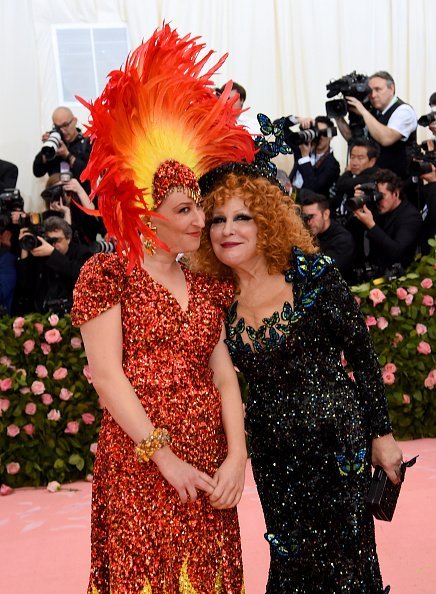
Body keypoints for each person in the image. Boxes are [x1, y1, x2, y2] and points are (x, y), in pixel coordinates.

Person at [70, 25, 254, 594]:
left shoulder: (207, 282)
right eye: (185, 210)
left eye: (200, 206)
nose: (202, 220)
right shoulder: (108, 275)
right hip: (140, 464)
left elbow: (224, 376)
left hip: (211, 461)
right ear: (147, 216)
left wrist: (237, 459)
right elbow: (107, 375)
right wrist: (164, 458)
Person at [192, 151, 403, 592]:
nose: (228, 230)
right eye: (217, 220)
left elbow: (362, 358)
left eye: (242, 217)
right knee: (290, 563)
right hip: (273, 453)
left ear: (266, 220)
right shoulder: (214, 298)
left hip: (337, 446)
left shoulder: (312, 274)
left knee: (346, 562)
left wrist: (381, 437)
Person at [335, 71, 417, 178]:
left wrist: (363, 112)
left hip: (397, 182)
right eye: (370, 91)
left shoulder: (403, 111)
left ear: (391, 88)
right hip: (374, 178)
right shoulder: (373, 111)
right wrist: (338, 116)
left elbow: (386, 138)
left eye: (378, 89)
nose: (373, 95)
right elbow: (353, 139)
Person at [15, 216, 91, 315]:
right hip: (43, 314)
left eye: (57, 240)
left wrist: (53, 254)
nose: (53, 245)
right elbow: (25, 284)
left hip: (72, 314)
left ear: (68, 239)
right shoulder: (42, 254)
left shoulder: (82, 252)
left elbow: (80, 275)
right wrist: (25, 246)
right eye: (49, 241)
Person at [352, 168, 422, 276]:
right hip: (373, 271)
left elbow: (397, 251)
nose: (378, 200)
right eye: (376, 195)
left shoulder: (410, 216)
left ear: (396, 194)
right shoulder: (376, 207)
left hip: (398, 276)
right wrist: (360, 205)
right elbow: (351, 230)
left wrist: (371, 225)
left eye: (382, 196)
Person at [300, 190, 355, 281]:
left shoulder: (342, 240)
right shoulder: (309, 234)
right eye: (305, 217)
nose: (308, 222)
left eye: (312, 216)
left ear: (326, 214)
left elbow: (324, 272)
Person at [32, 106, 92, 191]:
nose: (62, 130)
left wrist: (67, 155)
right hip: (57, 198)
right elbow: (37, 172)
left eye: (65, 125)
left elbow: (89, 176)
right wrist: (47, 148)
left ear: (74, 121)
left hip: (82, 200)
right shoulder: (55, 143)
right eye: (57, 127)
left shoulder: (87, 143)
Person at [288, 116, 340, 197]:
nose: (320, 137)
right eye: (317, 133)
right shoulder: (302, 147)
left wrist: (305, 158)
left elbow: (314, 189)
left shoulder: (332, 165)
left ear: (331, 136)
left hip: (307, 205)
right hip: (288, 199)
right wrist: (299, 120)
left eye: (324, 133)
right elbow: (278, 127)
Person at [330, 138, 380, 214]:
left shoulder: (374, 176)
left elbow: (342, 184)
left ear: (372, 161)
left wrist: (348, 171)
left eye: (360, 158)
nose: (354, 163)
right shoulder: (353, 174)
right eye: (352, 157)